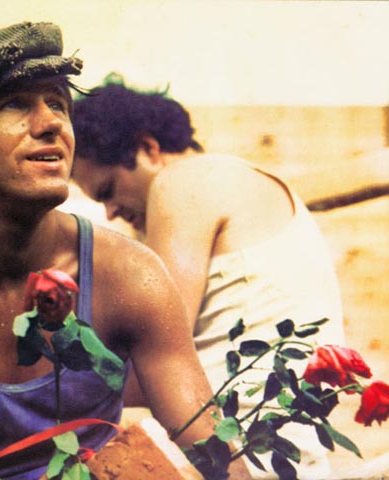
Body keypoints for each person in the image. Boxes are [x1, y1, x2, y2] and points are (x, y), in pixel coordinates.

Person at [0, 23, 250, 480]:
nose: (51, 123)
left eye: (58, 103)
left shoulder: (130, 275)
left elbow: (217, 455)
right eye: (15, 104)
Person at [70, 78, 346, 478]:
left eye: (108, 190)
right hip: (280, 453)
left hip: (245, 457)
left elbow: (149, 359)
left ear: (148, 148)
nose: (110, 211)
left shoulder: (184, 182)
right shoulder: (233, 180)